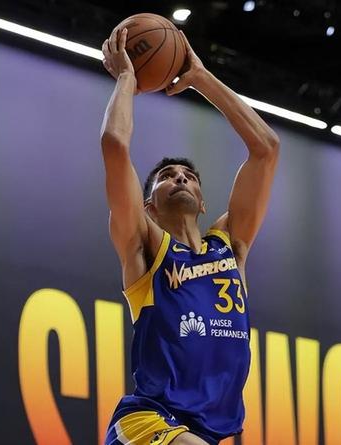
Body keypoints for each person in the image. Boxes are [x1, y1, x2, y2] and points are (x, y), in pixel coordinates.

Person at [100, 26, 279, 445]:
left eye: (189, 176)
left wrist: (200, 76)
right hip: (148, 423)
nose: (180, 177)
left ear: (202, 203)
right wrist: (127, 78)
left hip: (204, 432)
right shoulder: (144, 247)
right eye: (167, 176)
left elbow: (266, 149)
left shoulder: (231, 246)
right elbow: (114, 144)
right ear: (148, 206)